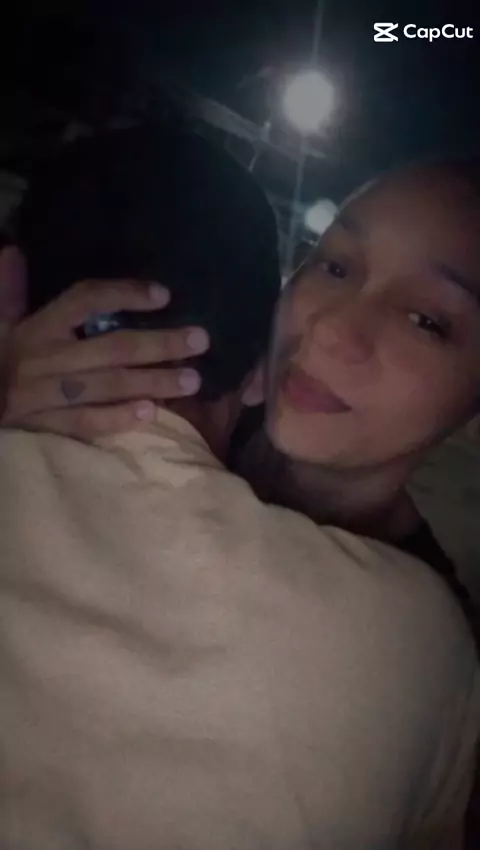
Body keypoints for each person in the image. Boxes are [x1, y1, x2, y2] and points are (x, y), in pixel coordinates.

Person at [0, 126, 478, 849]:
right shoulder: (179, 401)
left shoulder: (431, 664)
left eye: (427, 320)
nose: (333, 331)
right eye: (336, 266)